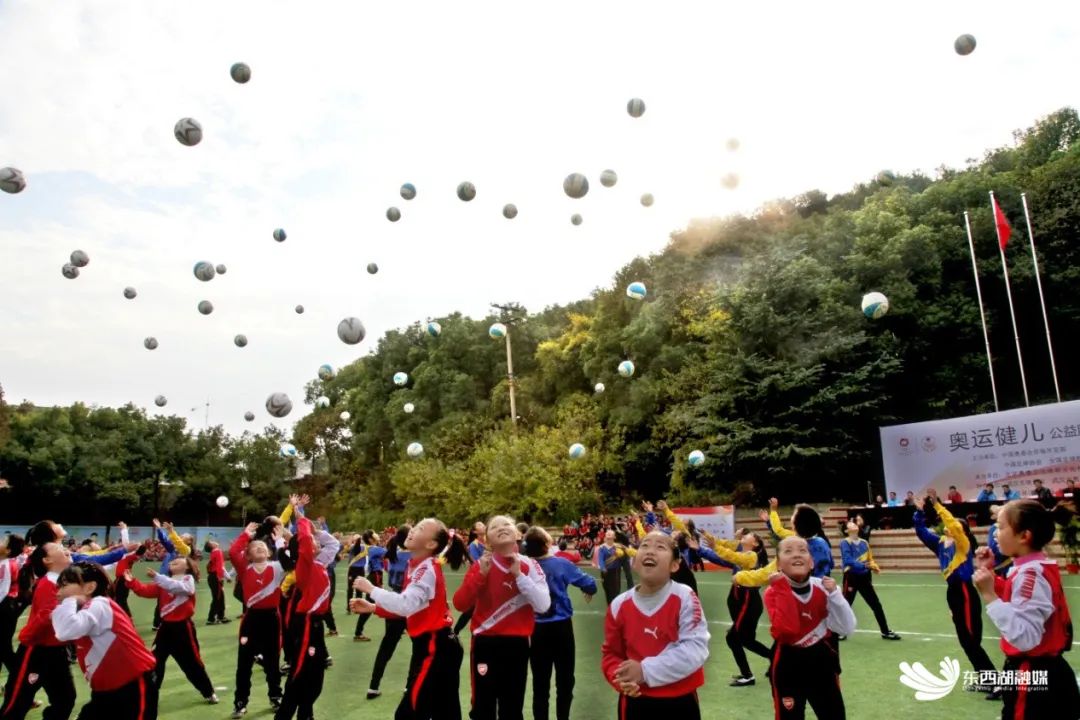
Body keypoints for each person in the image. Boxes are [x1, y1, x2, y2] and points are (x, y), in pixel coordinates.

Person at [351, 518, 467, 720]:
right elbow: (411, 608)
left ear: (431, 544)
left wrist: (371, 589)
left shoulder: (425, 570)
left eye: (421, 528)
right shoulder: (417, 566)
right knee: (444, 712)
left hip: (435, 647)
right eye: (415, 526)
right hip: (437, 647)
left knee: (409, 712)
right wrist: (374, 607)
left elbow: (405, 604)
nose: (412, 530)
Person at [973, 499, 1080, 718]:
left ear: (1024, 536)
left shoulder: (1030, 575)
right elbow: (1019, 598)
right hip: (1040, 672)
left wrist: (989, 596)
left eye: (1001, 527)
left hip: (1031, 676)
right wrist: (990, 573)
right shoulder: (1032, 568)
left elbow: (1026, 637)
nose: (995, 533)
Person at [600, 532, 709, 720]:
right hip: (635, 701)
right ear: (634, 562)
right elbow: (611, 654)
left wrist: (644, 671)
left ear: (674, 565)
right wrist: (621, 679)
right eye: (644, 546)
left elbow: (695, 649)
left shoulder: (684, 597)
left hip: (680, 700)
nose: (650, 551)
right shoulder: (618, 605)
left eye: (660, 547)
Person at [452, 515, 550, 720]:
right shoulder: (480, 565)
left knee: (512, 707)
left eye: (506, 524)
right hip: (485, 645)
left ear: (517, 534)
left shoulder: (529, 566)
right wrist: (480, 576)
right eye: (494, 527)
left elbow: (543, 605)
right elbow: (460, 604)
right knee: (482, 706)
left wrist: (520, 577)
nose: (501, 528)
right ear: (487, 539)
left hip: (517, 646)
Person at [50, 562, 158, 720]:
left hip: (132, 686)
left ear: (89, 587)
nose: (58, 592)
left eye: (64, 585)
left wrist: (70, 600)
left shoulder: (100, 604)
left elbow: (65, 630)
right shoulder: (87, 608)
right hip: (105, 691)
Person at [912, 496, 998, 693]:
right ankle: (986, 680)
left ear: (963, 531)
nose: (949, 526)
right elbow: (921, 532)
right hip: (954, 592)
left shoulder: (963, 544)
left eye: (956, 526)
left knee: (970, 640)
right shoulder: (940, 543)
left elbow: (953, 524)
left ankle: (994, 681)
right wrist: (919, 512)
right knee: (967, 641)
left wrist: (936, 505)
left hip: (964, 590)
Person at [765, 536, 857, 719]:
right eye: (788, 551)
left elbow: (847, 628)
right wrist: (782, 588)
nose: (796, 555)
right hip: (788, 664)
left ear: (812, 562)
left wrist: (835, 595)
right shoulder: (773, 592)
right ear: (778, 564)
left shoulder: (824, 588)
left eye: (802, 550)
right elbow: (788, 629)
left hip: (821, 661)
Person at [276, 501, 340, 720]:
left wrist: (315, 530)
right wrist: (300, 517)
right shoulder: (305, 566)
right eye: (312, 541)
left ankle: (306, 713)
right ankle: (285, 715)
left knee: (315, 675)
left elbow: (333, 545)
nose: (314, 540)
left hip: (315, 625)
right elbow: (303, 540)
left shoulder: (319, 563)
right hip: (304, 624)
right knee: (300, 673)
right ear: (304, 549)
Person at [524, 527, 597, 720]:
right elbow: (590, 584)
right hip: (561, 628)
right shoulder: (561, 564)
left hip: (536, 628)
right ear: (547, 543)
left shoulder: (525, 566)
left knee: (540, 683)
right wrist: (587, 588)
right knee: (565, 681)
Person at [2, 542, 78, 720]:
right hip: (36, 652)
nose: (65, 549)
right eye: (58, 548)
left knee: (66, 699)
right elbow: (45, 617)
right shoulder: (48, 583)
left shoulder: (65, 581)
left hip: (58, 652)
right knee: (16, 704)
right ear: (47, 560)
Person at [125, 558, 218, 703]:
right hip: (165, 628)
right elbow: (145, 591)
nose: (172, 562)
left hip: (183, 628)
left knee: (191, 663)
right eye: (172, 561)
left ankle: (208, 691)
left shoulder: (188, 579)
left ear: (187, 567)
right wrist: (132, 582)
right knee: (154, 661)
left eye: (178, 561)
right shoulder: (163, 581)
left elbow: (184, 589)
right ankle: (150, 694)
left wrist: (158, 577)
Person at [687, 531, 770, 687]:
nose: (743, 536)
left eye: (748, 535)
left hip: (747, 599)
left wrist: (716, 547)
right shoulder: (740, 554)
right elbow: (722, 558)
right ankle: (774, 658)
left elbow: (732, 556)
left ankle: (748, 676)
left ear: (756, 543)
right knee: (746, 640)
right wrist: (700, 549)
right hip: (740, 597)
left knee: (733, 638)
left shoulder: (751, 556)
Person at [229, 522, 286, 718]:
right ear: (249, 555)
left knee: (272, 662)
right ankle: (240, 702)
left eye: (263, 547)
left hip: (272, 619)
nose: (260, 547)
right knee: (243, 664)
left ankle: (276, 696)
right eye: (254, 548)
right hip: (251, 620)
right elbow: (234, 551)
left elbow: (290, 559)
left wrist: (279, 540)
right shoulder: (245, 569)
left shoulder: (278, 567)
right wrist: (246, 534)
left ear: (270, 553)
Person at [364, 525, 410, 700]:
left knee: (386, 647)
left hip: (392, 602)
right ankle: (409, 686)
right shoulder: (413, 557)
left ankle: (373, 686)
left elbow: (386, 569)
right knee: (419, 648)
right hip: (408, 603)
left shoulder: (391, 555)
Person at [840, 520, 901, 640]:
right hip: (851, 577)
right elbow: (847, 560)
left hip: (865, 578)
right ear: (846, 531)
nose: (854, 525)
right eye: (850, 525)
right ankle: (840, 631)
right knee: (845, 605)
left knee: (876, 605)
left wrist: (874, 566)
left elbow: (870, 559)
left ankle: (885, 631)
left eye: (854, 523)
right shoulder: (845, 543)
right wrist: (864, 566)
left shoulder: (864, 543)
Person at [348, 531, 386, 642]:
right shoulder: (374, 549)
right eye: (374, 534)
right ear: (370, 539)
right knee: (374, 604)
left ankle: (398, 624)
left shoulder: (371, 548)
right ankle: (358, 632)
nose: (376, 534)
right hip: (375, 576)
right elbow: (391, 553)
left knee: (380, 602)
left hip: (375, 576)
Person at [0, 534, 27, 677]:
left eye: (3, 541)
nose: (0, 542)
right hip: (6, 608)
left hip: (5, 609)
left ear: (8, 550)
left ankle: (20, 683)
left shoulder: (6, 564)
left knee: (4, 649)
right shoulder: (4, 562)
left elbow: (2, 591)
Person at [204, 539, 229, 626]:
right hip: (215, 577)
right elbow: (220, 566)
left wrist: (226, 576)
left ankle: (221, 617)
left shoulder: (214, 552)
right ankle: (211, 618)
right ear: (212, 546)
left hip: (213, 577)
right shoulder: (217, 551)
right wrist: (221, 577)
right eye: (212, 542)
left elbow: (220, 566)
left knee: (220, 597)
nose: (214, 541)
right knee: (217, 598)